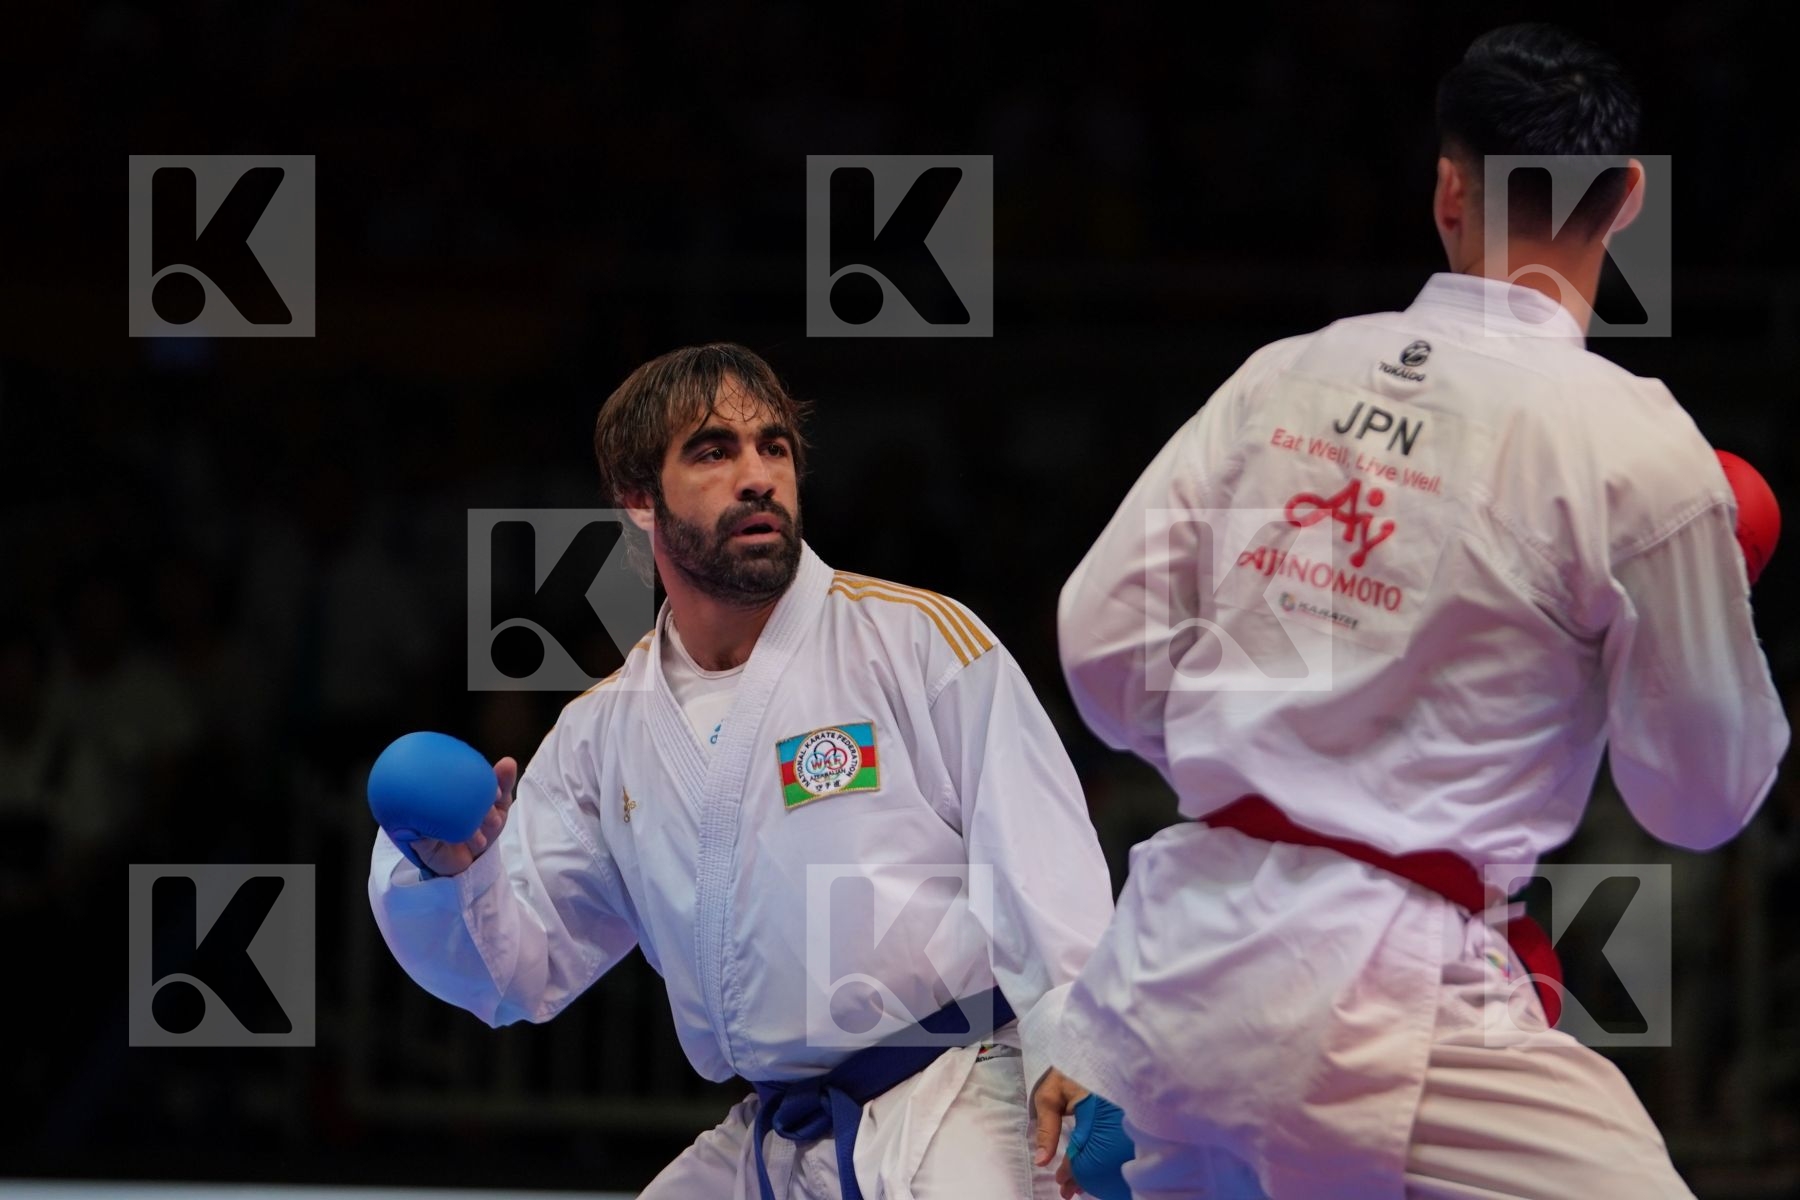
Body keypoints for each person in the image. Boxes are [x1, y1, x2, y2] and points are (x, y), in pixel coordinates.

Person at [1028, 23, 1789, 1200]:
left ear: (1447, 187)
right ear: (1629, 198)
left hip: (1170, 973)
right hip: (1383, 999)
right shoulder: (1643, 453)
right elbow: (1696, 800)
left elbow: (1099, 641)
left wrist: (1278, 763)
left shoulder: (1287, 373)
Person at [368, 342, 1114, 1199]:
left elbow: (1043, 858)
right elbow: (516, 968)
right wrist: (454, 873)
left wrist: (1084, 1049)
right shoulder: (604, 731)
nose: (758, 475)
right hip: (778, 1131)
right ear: (638, 499)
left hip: (955, 1106)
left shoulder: (913, 640)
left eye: (775, 447)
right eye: (715, 450)